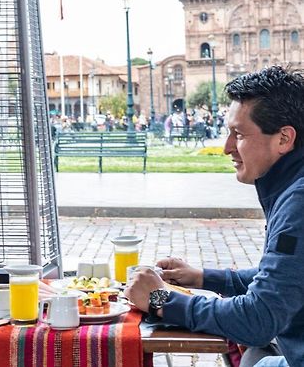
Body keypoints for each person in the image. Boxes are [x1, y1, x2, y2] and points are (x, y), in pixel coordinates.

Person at [125, 66, 304, 367]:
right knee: (253, 355)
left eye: (239, 135)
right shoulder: (291, 186)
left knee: (254, 354)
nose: (227, 148)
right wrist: (203, 277)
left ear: (284, 138)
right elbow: (283, 276)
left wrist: (160, 301)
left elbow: (258, 318)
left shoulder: (298, 203)